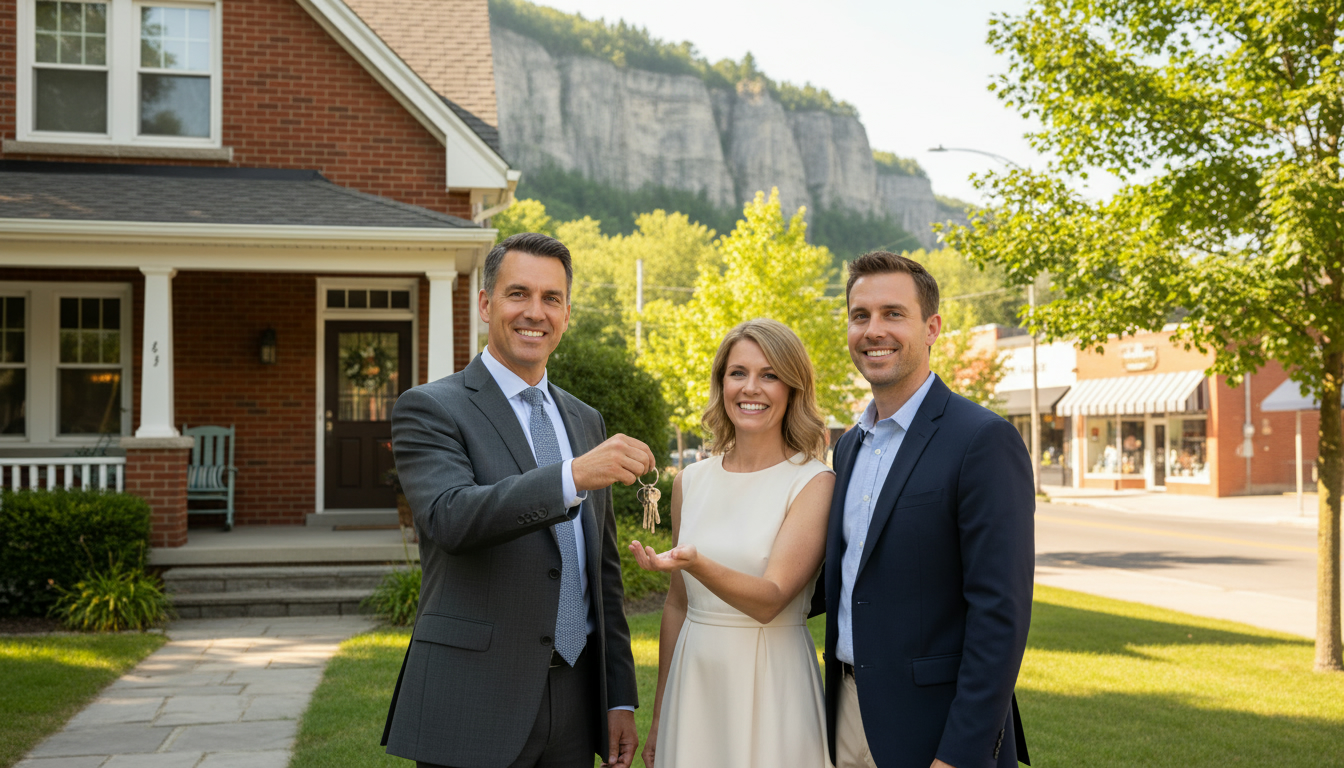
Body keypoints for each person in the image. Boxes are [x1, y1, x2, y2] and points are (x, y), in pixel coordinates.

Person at [381, 232, 656, 768]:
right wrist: (571, 476)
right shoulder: (431, 408)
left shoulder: (585, 419)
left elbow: (603, 573)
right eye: (518, 294)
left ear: (567, 313)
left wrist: (618, 697)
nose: (535, 312)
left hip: (576, 700)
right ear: (486, 304)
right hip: (473, 697)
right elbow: (450, 517)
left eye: (551, 298)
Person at [824, 251, 1034, 768]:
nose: (874, 330)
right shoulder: (848, 447)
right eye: (860, 316)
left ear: (932, 327)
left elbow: (1000, 615)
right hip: (843, 715)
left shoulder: (983, 440)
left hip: (933, 732)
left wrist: (961, 754)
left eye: (893, 314)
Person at [629, 318, 836, 768]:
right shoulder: (690, 481)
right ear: (721, 383)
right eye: (738, 373)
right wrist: (661, 714)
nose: (750, 388)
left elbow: (771, 600)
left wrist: (696, 562)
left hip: (773, 681)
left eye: (770, 375)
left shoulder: (813, 482)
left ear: (793, 388)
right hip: (694, 683)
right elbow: (677, 606)